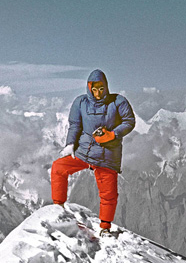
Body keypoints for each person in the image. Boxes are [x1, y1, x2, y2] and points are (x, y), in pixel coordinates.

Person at [51, 69, 135, 236]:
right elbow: (75, 125)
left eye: (101, 89)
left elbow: (129, 121)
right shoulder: (80, 102)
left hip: (107, 155)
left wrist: (113, 134)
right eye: (94, 89)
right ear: (89, 88)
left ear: (106, 87)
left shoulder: (118, 102)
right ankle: (58, 207)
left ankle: (105, 227)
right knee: (58, 168)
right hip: (83, 151)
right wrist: (70, 144)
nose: (97, 93)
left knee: (108, 193)